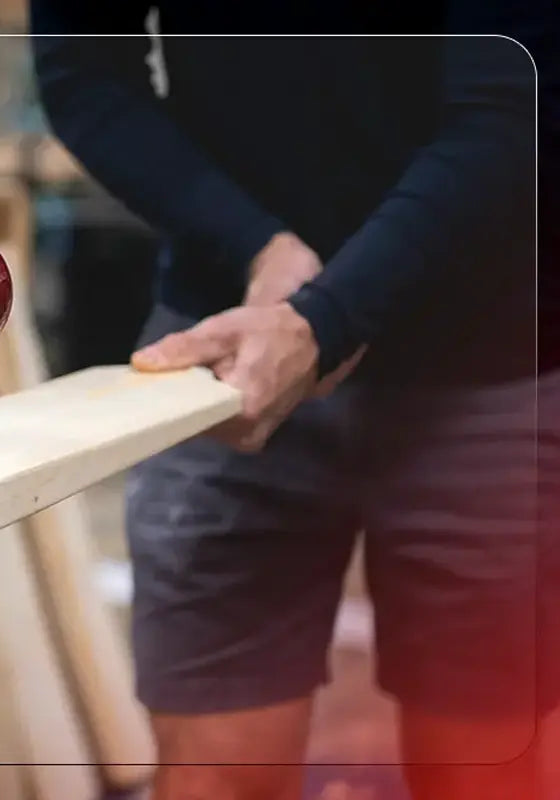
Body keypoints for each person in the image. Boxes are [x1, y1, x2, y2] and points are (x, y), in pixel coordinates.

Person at [30, 2, 557, 799]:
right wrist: (258, 247)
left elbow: (511, 100)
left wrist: (327, 317)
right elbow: (84, 73)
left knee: (483, 772)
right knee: (216, 773)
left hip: (484, 358)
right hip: (226, 344)